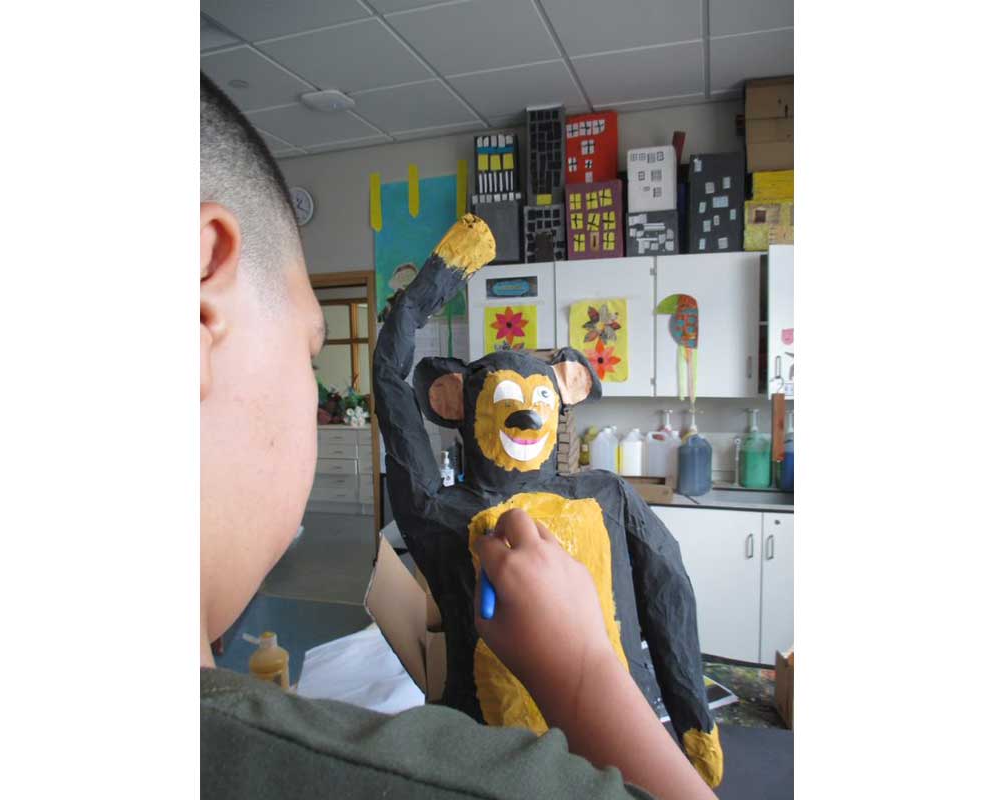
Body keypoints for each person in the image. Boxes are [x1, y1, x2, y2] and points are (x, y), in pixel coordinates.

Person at [199, 73, 717, 800]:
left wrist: (693, 715)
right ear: (452, 402)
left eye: (540, 397)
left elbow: (668, 587)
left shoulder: (601, 493)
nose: (527, 413)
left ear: (567, 393)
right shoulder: (447, 514)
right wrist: (590, 676)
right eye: (311, 349)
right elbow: (389, 379)